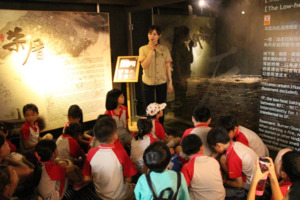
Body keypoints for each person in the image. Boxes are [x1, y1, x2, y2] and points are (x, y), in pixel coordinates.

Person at [82, 117, 137, 200]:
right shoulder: (121, 153)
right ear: (115, 136)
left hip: (100, 194)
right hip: (118, 195)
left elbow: (86, 178)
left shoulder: (91, 153)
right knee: (136, 187)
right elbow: (129, 178)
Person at [139, 25, 173, 124]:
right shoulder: (143, 49)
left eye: (154, 34)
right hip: (148, 81)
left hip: (161, 81)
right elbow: (144, 66)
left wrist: (170, 82)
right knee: (148, 106)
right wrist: (151, 51)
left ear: (159, 36)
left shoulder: (164, 49)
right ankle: (149, 128)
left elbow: (167, 66)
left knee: (161, 106)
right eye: (150, 34)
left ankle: (160, 128)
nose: (152, 36)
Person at [181, 134, 225, 200]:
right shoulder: (214, 161)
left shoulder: (187, 167)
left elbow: (183, 189)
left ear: (184, 153)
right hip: (221, 197)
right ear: (202, 147)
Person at [171, 25, 194, 105]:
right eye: (188, 34)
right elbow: (176, 63)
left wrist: (191, 48)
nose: (189, 36)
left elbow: (190, 60)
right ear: (183, 35)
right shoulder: (178, 48)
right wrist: (180, 78)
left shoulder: (183, 46)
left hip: (183, 76)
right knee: (180, 98)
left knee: (182, 98)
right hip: (179, 78)